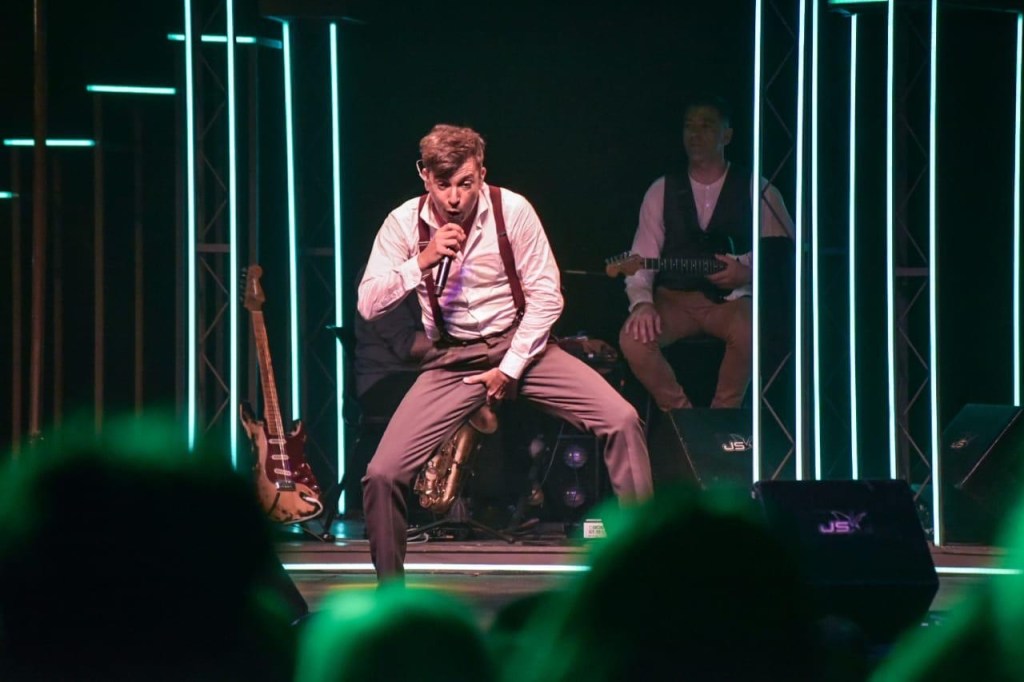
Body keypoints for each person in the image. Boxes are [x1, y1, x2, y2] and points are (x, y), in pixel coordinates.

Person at [357, 123, 654, 582]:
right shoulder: (403, 223)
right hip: (453, 359)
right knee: (382, 474)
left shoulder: (511, 210)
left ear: (481, 172)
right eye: (443, 185)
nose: (454, 198)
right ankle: (390, 595)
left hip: (523, 347)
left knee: (622, 420)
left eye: (465, 183)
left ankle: (648, 569)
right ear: (424, 176)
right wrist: (421, 262)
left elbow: (547, 297)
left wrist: (511, 367)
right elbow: (369, 303)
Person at [618, 93, 794, 411]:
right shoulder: (662, 190)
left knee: (752, 330)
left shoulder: (758, 188)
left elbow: (784, 257)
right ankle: (683, 417)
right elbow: (640, 259)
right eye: (689, 126)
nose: (695, 134)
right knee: (634, 340)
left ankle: (723, 416)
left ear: (726, 135)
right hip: (674, 300)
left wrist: (747, 273)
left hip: (731, 303)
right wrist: (642, 303)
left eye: (706, 126)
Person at [352, 265, 432, 421]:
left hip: (420, 374)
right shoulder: (381, 278)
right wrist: (462, 343)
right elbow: (408, 345)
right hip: (386, 379)